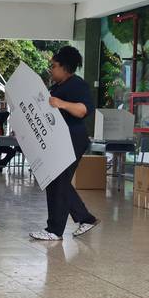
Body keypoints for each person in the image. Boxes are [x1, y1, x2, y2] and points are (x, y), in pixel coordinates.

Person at [29, 46, 100, 241]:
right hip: (59, 141)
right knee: (55, 181)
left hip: (73, 140)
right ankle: (84, 218)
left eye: (53, 66)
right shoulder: (58, 86)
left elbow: (83, 110)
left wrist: (61, 103)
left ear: (65, 67)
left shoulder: (77, 85)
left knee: (58, 182)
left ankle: (55, 230)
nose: (50, 69)